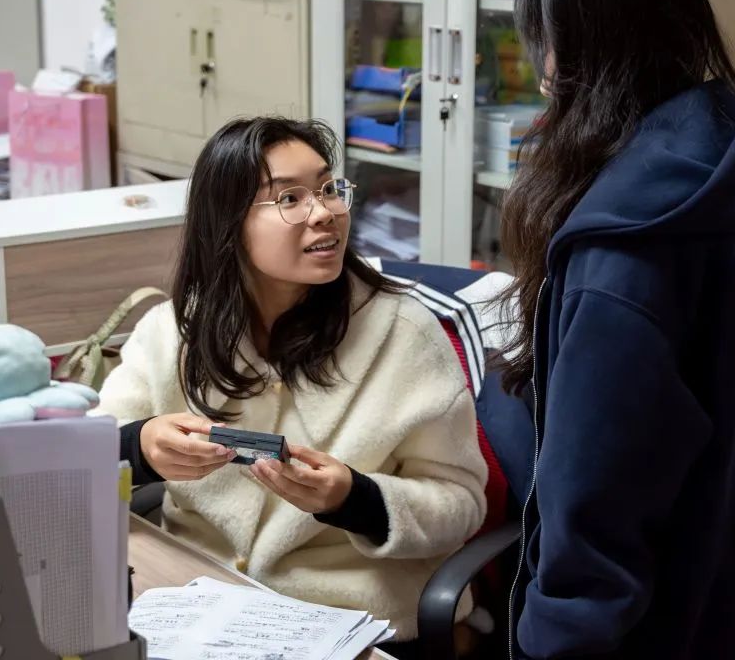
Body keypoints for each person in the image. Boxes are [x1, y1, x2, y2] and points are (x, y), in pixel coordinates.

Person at [500, 0, 735, 658]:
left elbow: (596, 510)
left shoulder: (627, 254)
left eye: (551, 47)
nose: (544, 76)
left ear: (599, 51)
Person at [99, 117, 487, 645]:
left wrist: (355, 499)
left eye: (328, 189)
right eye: (289, 198)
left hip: (348, 618)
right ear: (228, 220)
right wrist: (141, 447)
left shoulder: (406, 334)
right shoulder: (173, 330)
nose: (325, 212)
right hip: (200, 597)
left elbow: (460, 505)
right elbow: (82, 458)